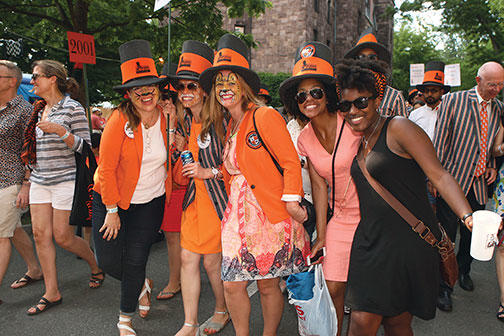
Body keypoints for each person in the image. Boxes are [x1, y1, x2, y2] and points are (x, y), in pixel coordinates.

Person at [334, 60, 473, 335]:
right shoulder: (361, 138)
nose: (353, 111)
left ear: (377, 100)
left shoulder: (398, 128)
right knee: (373, 321)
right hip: (370, 243)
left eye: (361, 102)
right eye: (345, 106)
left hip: (406, 246)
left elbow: (440, 175)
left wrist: (468, 217)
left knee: (392, 324)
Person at [199, 33, 310, 336]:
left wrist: (291, 201)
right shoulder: (230, 125)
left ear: (244, 86)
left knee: (268, 284)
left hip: (269, 214)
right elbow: (233, 169)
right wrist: (206, 172)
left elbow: (289, 162)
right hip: (237, 216)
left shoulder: (265, 115)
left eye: (231, 81)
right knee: (232, 284)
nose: (224, 88)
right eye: (219, 83)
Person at [91, 40, 173, 336]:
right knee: (108, 260)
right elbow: (108, 169)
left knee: (136, 258)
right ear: (128, 94)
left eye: (149, 86)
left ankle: (124, 319)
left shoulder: (168, 118)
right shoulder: (118, 120)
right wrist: (112, 210)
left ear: (158, 88)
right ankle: (141, 284)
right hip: (110, 199)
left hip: (150, 203)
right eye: (137, 88)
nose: (144, 93)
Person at [279, 42, 360, 335]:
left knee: (370, 298)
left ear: (329, 93)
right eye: (301, 95)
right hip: (340, 217)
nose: (309, 99)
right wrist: (322, 235)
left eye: (315, 92)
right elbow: (318, 187)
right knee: (334, 287)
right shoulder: (304, 139)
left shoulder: (354, 123)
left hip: (373, 217)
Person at [20, 59, 103, 315]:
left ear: (52, 78)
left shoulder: (72, 108)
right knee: (39, 235)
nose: (32, 81)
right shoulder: (36, 109)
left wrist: (61, 132)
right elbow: (30, 150)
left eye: (36, 76)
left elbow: (86, 148)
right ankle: (51, 292)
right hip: (39, 181)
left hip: (66, 179)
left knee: (63, 237)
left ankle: (95, 265)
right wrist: (27, 179)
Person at [166, 40, 231, 336]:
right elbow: (182, 175)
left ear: (205, 88)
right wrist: (178, 150)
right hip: (193, 201)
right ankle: (189, 323)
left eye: (191, 87)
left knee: (212, 265)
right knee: (189, 259)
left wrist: (209, 172)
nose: (185, 93)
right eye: (181, 88)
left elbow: (238, 166)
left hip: (220, 202)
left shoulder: (224, 120)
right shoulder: (183, 121)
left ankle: (222, 310)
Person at [433, 61, 504, 312]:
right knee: (448, 235)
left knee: (473, 236)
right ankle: (444, 286)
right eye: (492, 84)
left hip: (480, 184)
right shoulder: (453, 101)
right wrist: (434, 178)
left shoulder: (499, 109)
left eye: (500, 85)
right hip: (452, 181)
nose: (496, 89)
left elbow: (495, 143)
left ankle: (464, 271)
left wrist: (494, 164)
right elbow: (439, 142)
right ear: (478, 80)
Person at [0, 60, 43, 303]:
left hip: (11, 179)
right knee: (13, 229)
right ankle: (35, 269)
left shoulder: (25, 111)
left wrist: (26, 184)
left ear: (12, 81)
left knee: (1, 235)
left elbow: (32, 149)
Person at [344, 27, 408, 117]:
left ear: (379, 62)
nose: (366, 61)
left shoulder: (394, 97)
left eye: (372, 57)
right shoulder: (346, 93)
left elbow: (403, 129)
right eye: (361, 57)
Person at [409, 61, 451, 141]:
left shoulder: (449, 113)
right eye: (426, 91)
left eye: (434, 91)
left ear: (441, 92)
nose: (429, 94)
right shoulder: (414, 115)